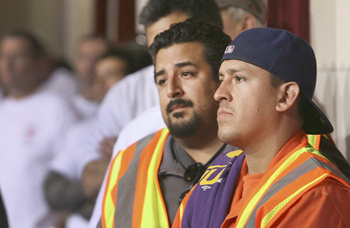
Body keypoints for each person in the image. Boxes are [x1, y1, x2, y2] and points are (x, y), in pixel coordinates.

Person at [173, 28, 350, 228]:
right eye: (222, 79)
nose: (219, 94)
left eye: (238, 78)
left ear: (285, 97)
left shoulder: (316, 193)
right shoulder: (215, 177)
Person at [88, 1, 223, 226]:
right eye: (161, 80)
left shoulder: (257, 153)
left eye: (187, 73)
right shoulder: (130, 158)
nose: (172, 89)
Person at [44, 47, 135, 228]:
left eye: (110, 74)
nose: (100, 82)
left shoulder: (142, 127)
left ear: (133, 80)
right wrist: (90, 187)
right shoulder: (80, 131)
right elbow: (53, 191)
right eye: (96, 76)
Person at [0, 30, 76, 228]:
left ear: (38, 63)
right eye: (2, 56)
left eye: (17, 57)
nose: (7, 64)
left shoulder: (55, 108)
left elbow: (74, 169)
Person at [71, 34, 109, 120]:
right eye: (83, 57)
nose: (89, 64)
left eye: (98, 58)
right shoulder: (64, 107)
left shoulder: (118, 109)